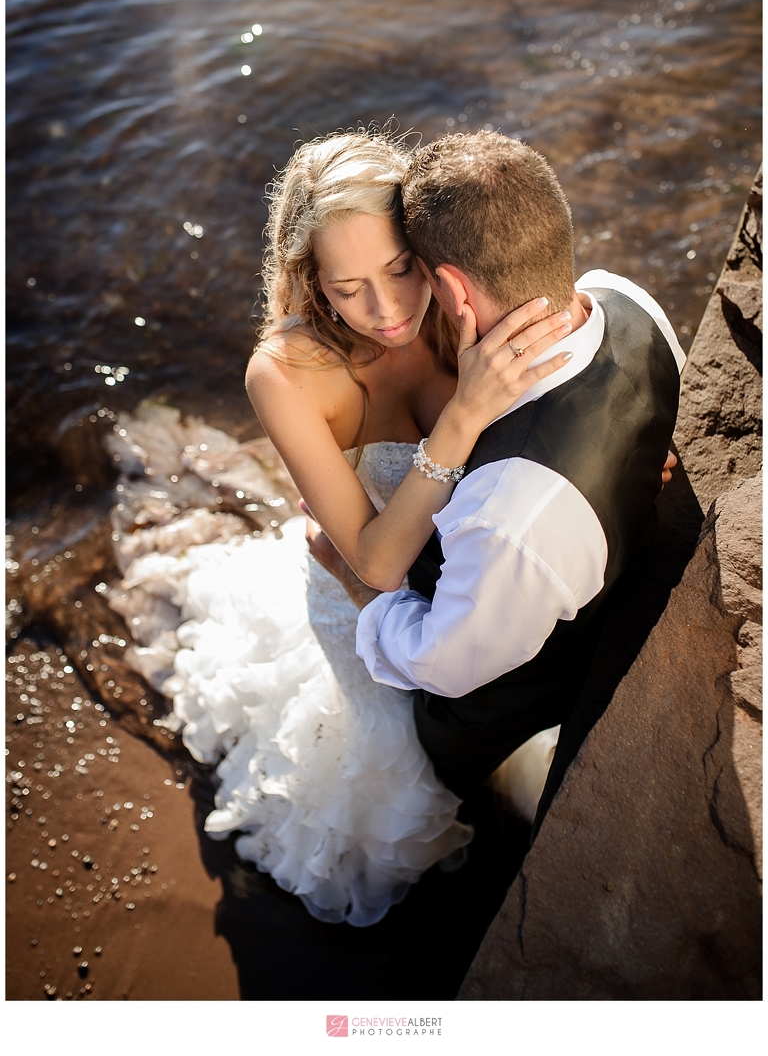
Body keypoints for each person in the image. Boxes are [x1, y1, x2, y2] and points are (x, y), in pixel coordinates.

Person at [115, 129, 573, 927]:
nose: (390, 310)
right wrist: (461, 419)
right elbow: (374, 563)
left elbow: (561, 340)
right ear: (311, 282)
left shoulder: (451, 297)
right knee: (394, 777)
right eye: (349, 287)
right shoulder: (284, 373)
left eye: (401, 269)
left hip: (463, 571)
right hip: (360, 596)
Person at [353, 131, 685, 808]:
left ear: (450, 286)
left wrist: (362, 595)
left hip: (497, 715)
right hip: (596, 594)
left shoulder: (508, 512)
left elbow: (439, 666)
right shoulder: (627, 300)